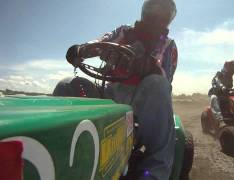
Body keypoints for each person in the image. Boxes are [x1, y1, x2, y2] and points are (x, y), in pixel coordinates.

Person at [53, 0, 178, 179]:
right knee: (68, 85)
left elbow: (167, 79)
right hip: (109, 93)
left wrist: (150, 67)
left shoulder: (169, 45)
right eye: (155, 8)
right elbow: (101, 41)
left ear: (169, 18)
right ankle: (62, 155)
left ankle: (155, 173)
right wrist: (81, 49)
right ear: (146, 9)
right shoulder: (124, 32)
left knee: (158, 84)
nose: (158, 14)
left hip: (142, 104)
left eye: (164, 11)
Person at [208, 60, 234, 129]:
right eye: (231, 67)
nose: (232, 69)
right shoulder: (219, 74)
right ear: (227, 67)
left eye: (233, 68)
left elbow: (229, 88)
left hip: (225, 95)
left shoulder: (230, 78)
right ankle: (220, 121)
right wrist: (222, 86)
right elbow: (216, 80)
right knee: (214, 98)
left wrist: (233, 91)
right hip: (216, 94)